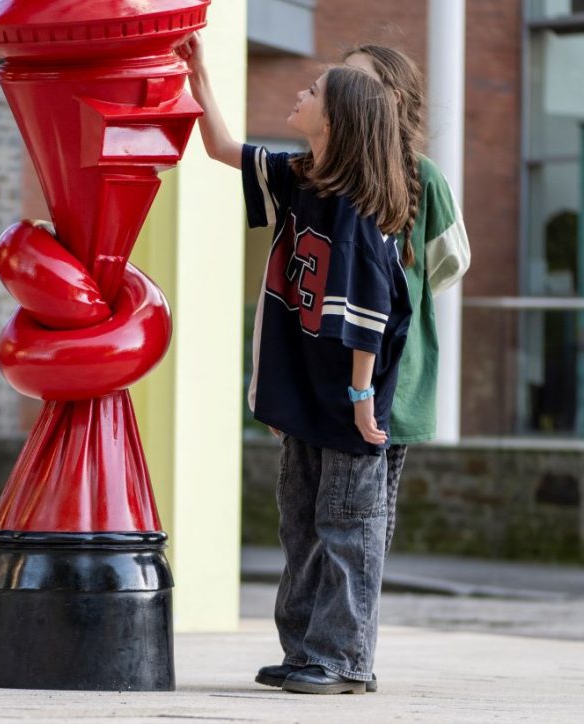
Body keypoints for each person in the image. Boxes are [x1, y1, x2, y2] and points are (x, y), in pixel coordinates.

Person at [179, 34, 412, 695]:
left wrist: (361, 398)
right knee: (301, 520)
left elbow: (370, 313)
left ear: (336, 122)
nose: (300, 95)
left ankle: (344, 660)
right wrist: (199, 80)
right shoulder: (298, 177)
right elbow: (224, 150)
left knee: (347, 525)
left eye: (313, 92)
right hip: (306, 395)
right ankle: (306, 649)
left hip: (346, 401)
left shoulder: (360, 212)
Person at [342, 45, 471, 558]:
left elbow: (450, 261)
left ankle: (351, 638)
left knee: (370, 535)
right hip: (334, 380)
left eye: (355, 80)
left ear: (392, 100)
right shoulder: (332, 173)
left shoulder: (426, 177)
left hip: (397, 384)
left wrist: (403, 305)